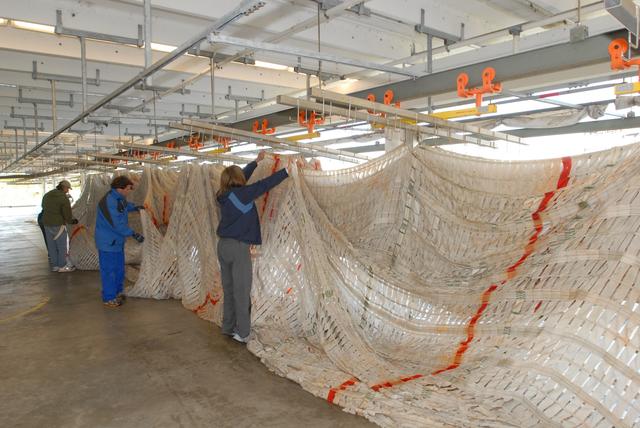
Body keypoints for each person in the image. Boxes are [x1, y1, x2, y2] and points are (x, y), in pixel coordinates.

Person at [216, 151, 294, 343]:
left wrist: (256, 162)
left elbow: (240, 177)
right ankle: (243, 333)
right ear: (238, 180)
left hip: (223, 247)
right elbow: (264, 185)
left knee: (229, 289)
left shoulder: (224, 194)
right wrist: (286, 171)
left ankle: (228, 326)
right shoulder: (243, 194)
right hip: (238, 248)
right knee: (242, 291)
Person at [95, 175, 145, 308]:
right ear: (120, 188)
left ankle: (117, 292)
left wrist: (135, 207)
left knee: (119, 269)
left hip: (116, 241)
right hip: (108, 242)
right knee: (109, 271)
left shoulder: (118, 198)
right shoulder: (108, 202)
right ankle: (109, 298)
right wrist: (133, 234)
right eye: (128, 189)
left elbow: (124, 206)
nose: (129, 191)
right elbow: (116, 224)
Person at [41, 180, 78, 272]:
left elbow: (43, 206)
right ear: (64, 187)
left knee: (51, 245)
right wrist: (72, 221)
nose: (68, 191)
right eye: (67, 189)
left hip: (46, 223)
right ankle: (62, 266)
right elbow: (67, 213)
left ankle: (55, 266)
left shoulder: (47, 195)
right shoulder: (63, 198)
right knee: (61, 246)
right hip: (58, 225)